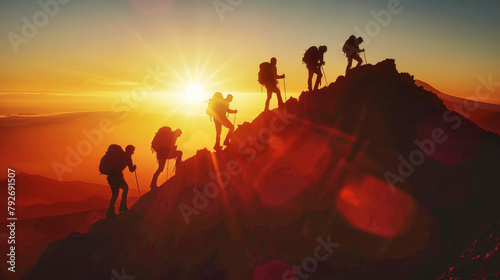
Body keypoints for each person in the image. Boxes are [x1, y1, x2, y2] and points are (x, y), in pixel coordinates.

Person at [106, 145, 136, 217]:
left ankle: (110, 212)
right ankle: (122, 205)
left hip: (111, 177)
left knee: (115, 195)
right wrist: (134, 167)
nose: (133, 153)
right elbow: (131, 170)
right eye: (132, 151)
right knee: (125, 188)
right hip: (118, 178)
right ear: (129, 151)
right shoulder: (128, 158)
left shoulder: (120, 155)